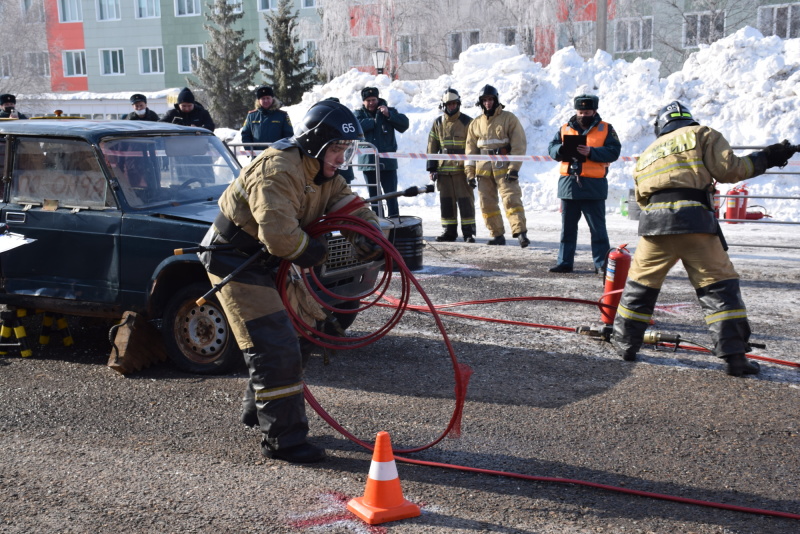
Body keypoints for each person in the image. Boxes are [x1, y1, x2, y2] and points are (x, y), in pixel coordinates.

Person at [197, 100, 383, 463]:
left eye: (347, 150)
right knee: (275, 343)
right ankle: (284, 440)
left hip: (272, 259)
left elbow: (349, 204)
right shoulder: (278, 169)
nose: (342, 159)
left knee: (302, 332)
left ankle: (259, 411)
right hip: (237, 259)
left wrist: (369, 234)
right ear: (315, 143)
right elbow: (281, 236)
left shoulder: (323, 172)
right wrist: (313, 252)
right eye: (337, 149)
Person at [611, 100, 796, 377]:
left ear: (661, 126)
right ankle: (735, 358)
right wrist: (769, 156)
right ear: (687, 119)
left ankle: (625, 344)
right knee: (718, 287)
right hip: (695, 223)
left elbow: (640, 198)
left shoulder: (648, 152)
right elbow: (730, 170)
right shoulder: (702, 134)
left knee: (641, 286)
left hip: (654, 228)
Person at [547, 94, 621, 273]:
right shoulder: (565, 128)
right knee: (567, 229)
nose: (583, 115)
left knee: (598, 230)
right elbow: (551, 149)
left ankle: (602, 264)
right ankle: (565, 262)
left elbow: (614, 151)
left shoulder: (606, 129)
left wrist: (591, 152)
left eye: (587, 112)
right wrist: (561, 149)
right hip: (569, 185)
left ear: (594, 111)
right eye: (580, 112)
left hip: (593, 186)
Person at [464, 84, 529, 247]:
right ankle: (497, 234)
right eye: (484, 100)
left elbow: (518, 145)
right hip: (483, 171)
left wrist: (514, 168)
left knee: (511, 200)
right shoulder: (475, 123)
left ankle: (520, 232)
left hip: (504, 169)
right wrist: (470, 173)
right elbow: (470, 150)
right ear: (481, 103)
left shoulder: (509, 118)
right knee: (487, 204)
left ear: (496, 100)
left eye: (490, 99)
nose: (488, 103)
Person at [426, 87, 476, 242]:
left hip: (462, 170)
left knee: (465, 201)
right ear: (444, 105)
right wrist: (432, 167)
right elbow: (432, 145)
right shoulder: (438, 123)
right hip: (444, 170)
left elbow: (474, 146)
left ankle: (468, 233)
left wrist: (472, 170)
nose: (452, 107)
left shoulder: (468, 122)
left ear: (458, 104)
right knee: (446, 202)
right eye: (449, 104)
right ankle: (449, 232)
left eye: (454, 104)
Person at [354, 86, 409, 218]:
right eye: (368, 100)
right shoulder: (358, 114)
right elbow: (355, 128)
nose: (371, 103)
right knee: (374, 197)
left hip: (387, 163)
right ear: (363, 102)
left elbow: (404, 124)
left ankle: (394, 222)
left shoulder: (389, 111)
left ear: (378, 99)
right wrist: (373, 122)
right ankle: (378, 223)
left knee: (391, 195)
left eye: (373, 99)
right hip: (369, 163)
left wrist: (388, 115)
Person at [240, 85, 293, 154]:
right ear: (258, 100)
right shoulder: (251, 116)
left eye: (268, 98)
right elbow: (245, 135)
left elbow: (288, 135)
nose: (266, 101)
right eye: (263, 98)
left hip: (277, 155)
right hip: (257, 155)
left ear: (272, 99)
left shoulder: (282, 115)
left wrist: (283, 151)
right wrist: (250, 151)